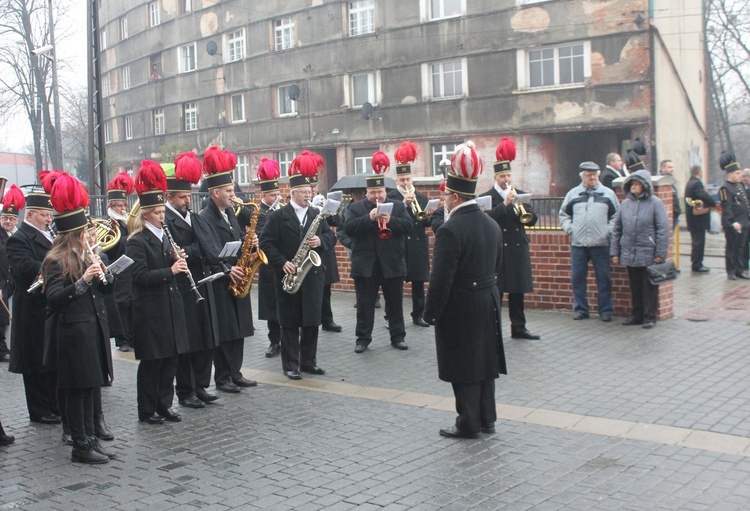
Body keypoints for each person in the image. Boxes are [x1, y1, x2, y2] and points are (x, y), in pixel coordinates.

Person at [423, 141, 506, 439]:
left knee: (464, 364)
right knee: (485, 362)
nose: (444, 199)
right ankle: (487, 419)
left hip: (461, 303)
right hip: (488, 299)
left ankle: (468, 422)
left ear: (455, 196)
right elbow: (498, 264)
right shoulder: (491, 224)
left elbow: (441, 277)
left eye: (446, 195)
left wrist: (430, 313)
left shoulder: (450, 230)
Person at [41, 172, 116, 464]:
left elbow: (105, 292)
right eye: (85, 230)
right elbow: (55, 298)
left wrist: (105, 275)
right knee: (77, 391)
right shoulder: (55, 260)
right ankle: (80, 446)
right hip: (71, 334)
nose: (89, 234)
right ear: (74, 233)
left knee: (90, 388)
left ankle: (91, 439)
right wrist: (84, 279)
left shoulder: (86, 254)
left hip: (91, 330)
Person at [259, 151, 336, 380]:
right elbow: (266, 243)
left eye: (310, 191)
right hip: (288, 275)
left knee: (312, 321)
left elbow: (331, 238)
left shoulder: (317, 215)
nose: (308, 195)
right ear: (292, 193)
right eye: (304, 192)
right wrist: (282, 263)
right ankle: (290, 365)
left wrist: (320, 241)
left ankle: (309, 362)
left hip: (312, 276)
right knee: (290, 323)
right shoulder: (277, 217)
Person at [126, 160, 190, 425]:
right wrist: (171, 270)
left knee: (170, 360)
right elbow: (138, 276)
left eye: (162, 212)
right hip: (150, 310)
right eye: (156, 213)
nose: (162, 216)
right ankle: (147, 409)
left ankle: (165, 404)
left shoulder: (165, 236)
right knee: (153, 362)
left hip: (170, 306)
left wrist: (177, 259)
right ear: (144, 216)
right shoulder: (136, 242)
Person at [165, 154, 223, 408]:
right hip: (183, 287)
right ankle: (186, 390)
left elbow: (207, 246)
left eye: (188, 197)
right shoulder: (167, 220)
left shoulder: (194, 217)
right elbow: (177, 249)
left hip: (202, 280)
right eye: (182, 198)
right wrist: (196, 249)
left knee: (205, 338)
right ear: (170, 198)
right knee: (188, 341)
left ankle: (201, 385)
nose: (188, 201)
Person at [199, 146, 256, 392]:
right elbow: (210, 250)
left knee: (240, 326)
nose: (234, 195)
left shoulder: (230, 213)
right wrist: (226, 269)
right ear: (215, 193)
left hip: (239, 273)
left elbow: (236, 241)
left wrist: (250, 243)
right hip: (223, 278)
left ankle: (236, 371)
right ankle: (222, 377)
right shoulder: (205, 217)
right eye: (230, 191)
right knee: (225, 329)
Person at [343, 151, 412, 353]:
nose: (377, 196)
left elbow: (408, 226)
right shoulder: (356, 208)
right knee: (365, 306)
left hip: (392, 263)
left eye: (380, 192)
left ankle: (398, 337)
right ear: (367, 192)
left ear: (385, 191)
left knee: (395, 304)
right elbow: (348, 228)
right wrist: (369, 218)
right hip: (366, 265)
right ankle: (362, 339)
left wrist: (390, 221)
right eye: (373, 192)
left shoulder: (397, 206)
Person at [7, 187, 60, 424]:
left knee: (49, 357)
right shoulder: (20, 238)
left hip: (49, 304)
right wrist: (60, 265)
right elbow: (25, 267)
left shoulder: (50, 235)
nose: (49, 219)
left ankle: (53, 404)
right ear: (29, 215)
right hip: (31, 308)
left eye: (50, 215)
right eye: (44, 215)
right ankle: (39, 410)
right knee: (35, 360)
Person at [481, 137, 540, 340]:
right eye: (502, 176)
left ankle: (519, 328)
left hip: (517, 249)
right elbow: (486, 219)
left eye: (508, 175)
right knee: (496, 292)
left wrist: (523, 209)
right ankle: (493, 329)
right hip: (498, 249)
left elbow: (531, 220)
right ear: (495, 177)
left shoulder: (520, 194)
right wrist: (505, 204)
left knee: (517, 291)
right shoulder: (487, 197)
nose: (506, 179)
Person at [559, 162, 619, 321]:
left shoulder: (608, 194)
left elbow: (616, 217)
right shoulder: (573, 194)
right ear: (582, 176)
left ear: (598, 175)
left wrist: (608, 231)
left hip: (601, 244)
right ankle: (581, 309)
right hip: (578, 244)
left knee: (604, 278)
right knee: (577, 278)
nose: (592, 177)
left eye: (594, 174)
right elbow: (563, 215)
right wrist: (570, 229)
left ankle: (605, 311)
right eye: (588, 174)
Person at [610, 170, 670, 329]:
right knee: (635, 286)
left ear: (645, 186)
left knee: (649, 287)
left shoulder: (655, 203)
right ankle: (636, 315)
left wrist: (660, 254)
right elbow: (617, 229)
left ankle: (649, 317)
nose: (634, 187)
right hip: (630, 252)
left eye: (637, 184)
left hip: (648, 252)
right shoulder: (625, 204)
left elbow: (663, 229)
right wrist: (615, 252)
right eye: (632, 184)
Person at [387, 141, 433, 327]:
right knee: (394, 285)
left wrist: (429, 214)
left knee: (418, 281)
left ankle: (418, 314)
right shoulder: (391, 197)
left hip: (417, 243)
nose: (406, 183)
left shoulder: (421, 197)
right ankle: (391, 317)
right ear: (397, 180)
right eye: (402, 180)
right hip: (398, 244)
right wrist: (404, 203)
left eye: (408, 180)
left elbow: (426, 223)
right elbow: (390, 217)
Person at [103, 172, 136, 352]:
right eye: (119, 205)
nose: (123, 208)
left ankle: (131, 336)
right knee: (121, 303)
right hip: (117, 267)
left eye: (124, 204)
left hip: (129, 267)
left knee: (131, 302)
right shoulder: (108, 223)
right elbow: (107, 247)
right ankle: (122, 339)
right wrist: (127, 240)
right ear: (111, 206)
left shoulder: (127, 222)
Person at [255, 159, 282, 357]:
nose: (276, 197)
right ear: (263, 195)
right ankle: (274, 341)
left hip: (282, 263)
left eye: (277, 194)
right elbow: (260, 235)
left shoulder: (281, 210)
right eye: (272, 195)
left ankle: (289, 338)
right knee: (271, 306)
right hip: (267, 265)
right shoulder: (258, 212)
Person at [311, 174, 343, 333]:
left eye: (314, 187)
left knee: (326, 290)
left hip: (323, 252)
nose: (312, 190)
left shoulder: (321, 201)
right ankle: (310, 320)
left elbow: (336, 223)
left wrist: (329, 211)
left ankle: (327, 320)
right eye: (309, 188)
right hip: (308, 253)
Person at [0, 185, 24, 363]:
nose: (8, 221)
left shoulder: (18, 237)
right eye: (5, 218)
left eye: (11, 218)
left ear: (16, 221)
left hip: (14, 282)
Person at [718, 152, 750, 280]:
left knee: (741, 247)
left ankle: (739, 269)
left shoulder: (740, 186)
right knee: (732, 247)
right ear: (730, 174)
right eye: (737, 173)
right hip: (733, 223)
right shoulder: (725, 188)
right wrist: (732, 222)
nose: (740, 176)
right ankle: (730, 270)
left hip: (744, 222)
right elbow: (727, 207)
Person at [684, 165, 716, 273]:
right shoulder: (696, 184)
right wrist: (712, 202)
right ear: (699, 172)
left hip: (692, 219)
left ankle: (696, 263)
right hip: (697, 219)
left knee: (696, 241)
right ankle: (698, 264)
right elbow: (704, 196)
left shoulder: (690, 183)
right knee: (699, 242)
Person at [659, 159, 681, 229]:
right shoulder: (661, 181)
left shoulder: (671, 179)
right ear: (662, 168)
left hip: (675, 214)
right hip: (668, 215)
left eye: (672, 167)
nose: (672, 169)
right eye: (669, 167)